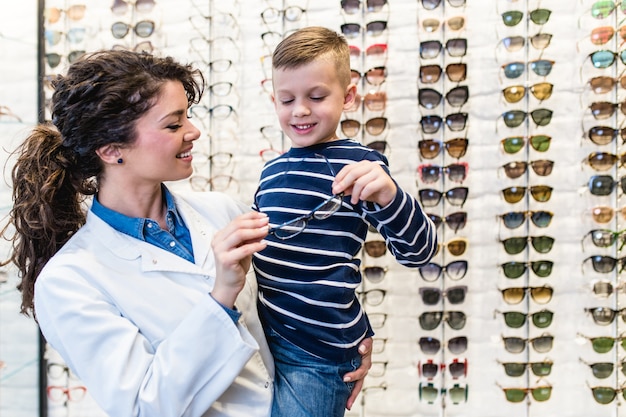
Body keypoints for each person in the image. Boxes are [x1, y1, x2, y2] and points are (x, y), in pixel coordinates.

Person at [0, 50, 371, 417]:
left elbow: (301, 284)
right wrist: (221, 295)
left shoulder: (221, 210)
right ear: (112, 149)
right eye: (174, 124)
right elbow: (145, 407)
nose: (193, 132)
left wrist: (343, 342)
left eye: (188, 118)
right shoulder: (69, 281)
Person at [252, 27, 438, 417]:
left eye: (316, 97)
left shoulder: (360, 167)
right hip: (266, 339)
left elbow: (418, 252)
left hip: (317, 351)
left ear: (348, 96)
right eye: (287, 100)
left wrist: (390, 196)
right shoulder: (271, 171)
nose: (300, 110)